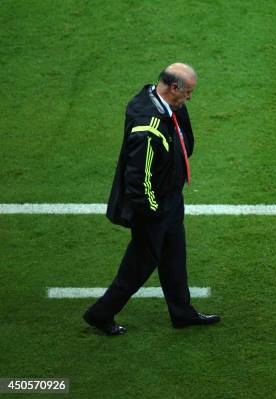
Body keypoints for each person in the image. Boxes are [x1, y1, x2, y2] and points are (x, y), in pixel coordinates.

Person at [83, 63, 220, 335]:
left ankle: (181, 312)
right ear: (173, 88)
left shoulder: (164, 105)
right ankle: (101, 313)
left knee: (174, 259)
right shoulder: (148, 128)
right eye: (188, 92)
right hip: (154, 209)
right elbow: (138, 180)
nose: (190, 98)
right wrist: (156, 212)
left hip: (170, 198)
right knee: (137, 268)